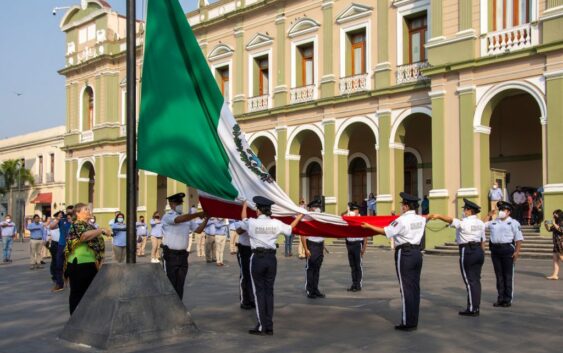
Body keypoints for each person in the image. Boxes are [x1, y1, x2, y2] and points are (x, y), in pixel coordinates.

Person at [361, 192, 426, 331]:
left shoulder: (402, 220)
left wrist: (369, 227)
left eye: (403, 204)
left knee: (406, 288)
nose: (402, 206)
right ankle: (413, 320)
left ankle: (407, 322)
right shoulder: (420, 219)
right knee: (415, 288)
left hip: (405, 253)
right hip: (417, 253)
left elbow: (386, 231)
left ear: (406, 206)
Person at [240, 197, 303, 336]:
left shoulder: (252, 222)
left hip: (257, 258)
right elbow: (290, 229)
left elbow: (243, 220)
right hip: (271, 259)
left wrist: (244, 206)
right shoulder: (276, 223)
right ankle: (268, 325)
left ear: (258, 210)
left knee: (259, 293)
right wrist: (300, 215)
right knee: (269, 292)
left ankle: (262, 326)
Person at [428, 199, 486, 316]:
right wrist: (482, 253)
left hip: (468, 251)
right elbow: (483, 240)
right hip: (479, 251)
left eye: (465, 209)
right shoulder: (480, 223)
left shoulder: (463, 222)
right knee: (476, 280)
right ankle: (476, 306)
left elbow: (450, 220)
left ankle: (472, 309)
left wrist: (438, 216)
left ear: (469, 211)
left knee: (469, 281)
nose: (464, 211)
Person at [161, 193, 207, 300]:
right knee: (170, 285)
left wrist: (207, 218)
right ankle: (170, 309)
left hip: (182, 256)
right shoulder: (167, 216)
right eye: (177, 203)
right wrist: (197, 214)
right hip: (171, 256)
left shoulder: (187, 219)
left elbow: (198, 230)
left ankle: (179, 309)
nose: (180, 205)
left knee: (180, 285)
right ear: (171, 204)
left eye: (181, 203)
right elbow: (179, 220)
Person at [64, 203, 107, 314]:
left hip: (90, 263)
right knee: (78, 294)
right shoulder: (77, 224)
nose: (89, 211)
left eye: (89, 209)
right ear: (77, 213)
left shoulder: (90, 226)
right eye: (86, 209)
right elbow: (84, 236)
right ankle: (75, 319)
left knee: (90, 294)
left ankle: (86, 318)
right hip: (78, 263)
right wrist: (101, 230)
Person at [484, 201, 523, 307]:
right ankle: (500, 298)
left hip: (507, 250)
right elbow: (482, 226)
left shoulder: (514, 223)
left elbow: (518, 239)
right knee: (499, 276)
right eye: (500, 210)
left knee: (508, 275)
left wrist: (517, 252)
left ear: (508, 212)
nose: (501, 212)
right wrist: (489, 215)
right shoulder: (494, 221)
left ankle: (507, 299)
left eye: (503, 210)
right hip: (495, 250)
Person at [302, 199, 325, 299]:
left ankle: (315, 289)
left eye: (318, 207)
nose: (317, 209)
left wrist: (323, 246)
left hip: (319, 245)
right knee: (310, 269)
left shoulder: (321, 218)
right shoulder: (306, 219)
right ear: (311, 208)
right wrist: (306, 249)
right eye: (315, 207)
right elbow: (302, 236)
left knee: (317, 269)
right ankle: (309, 290)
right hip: (311, 245)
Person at [49, 205, 75, 292]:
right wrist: (58, 219)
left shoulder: (76, 221)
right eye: (68, 211)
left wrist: (72, 221)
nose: (69, 212)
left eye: (71, 211)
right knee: (58, 264)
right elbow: (51, 226)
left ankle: (72, 282)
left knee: (72, 265)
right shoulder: (61, 220)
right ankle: (59, 284)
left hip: (72, 245)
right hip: (61, 244)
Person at [344, 203, 367, 292]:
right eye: (352, 210)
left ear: (357, 210)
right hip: (350, 244)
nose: (353, 212)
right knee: (352, 266)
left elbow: (365, 235)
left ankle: (358, 285)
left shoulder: (361, 220)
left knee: (358, 265)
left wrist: (364, 248)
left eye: (354, 210)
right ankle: (354, 284)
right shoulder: (349, 218)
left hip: (358, 244)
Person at [235, 220, 255, 310]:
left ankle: (253, 299)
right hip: (244, 249)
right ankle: (245, 300)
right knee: (245, 275)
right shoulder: (240, 220)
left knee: (254, 276)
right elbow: (239, 231)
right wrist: (248, 223)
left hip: (255, 249)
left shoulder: (257, 219)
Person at [544, 209, 563, 280]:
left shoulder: (561, 222)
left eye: (555, 214)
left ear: (559, 215)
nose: (553, 216)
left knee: (561, 258)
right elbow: (549, 229)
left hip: (560, 243)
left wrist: (554, 223)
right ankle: (555, 275)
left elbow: (561, 230)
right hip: (556, 244)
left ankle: (555, 275)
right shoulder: (556, 223)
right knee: (555, 260)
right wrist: (546, 225)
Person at [48, 212, 64, 291]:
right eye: (59, 215)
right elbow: (51, 227)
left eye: (62, 215)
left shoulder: (64, 222)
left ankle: (62, 277)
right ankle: (55, 276)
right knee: (55, 261)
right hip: (55, 243)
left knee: (62, 262)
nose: (61, 216)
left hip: (62, 244)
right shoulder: (54, 222)